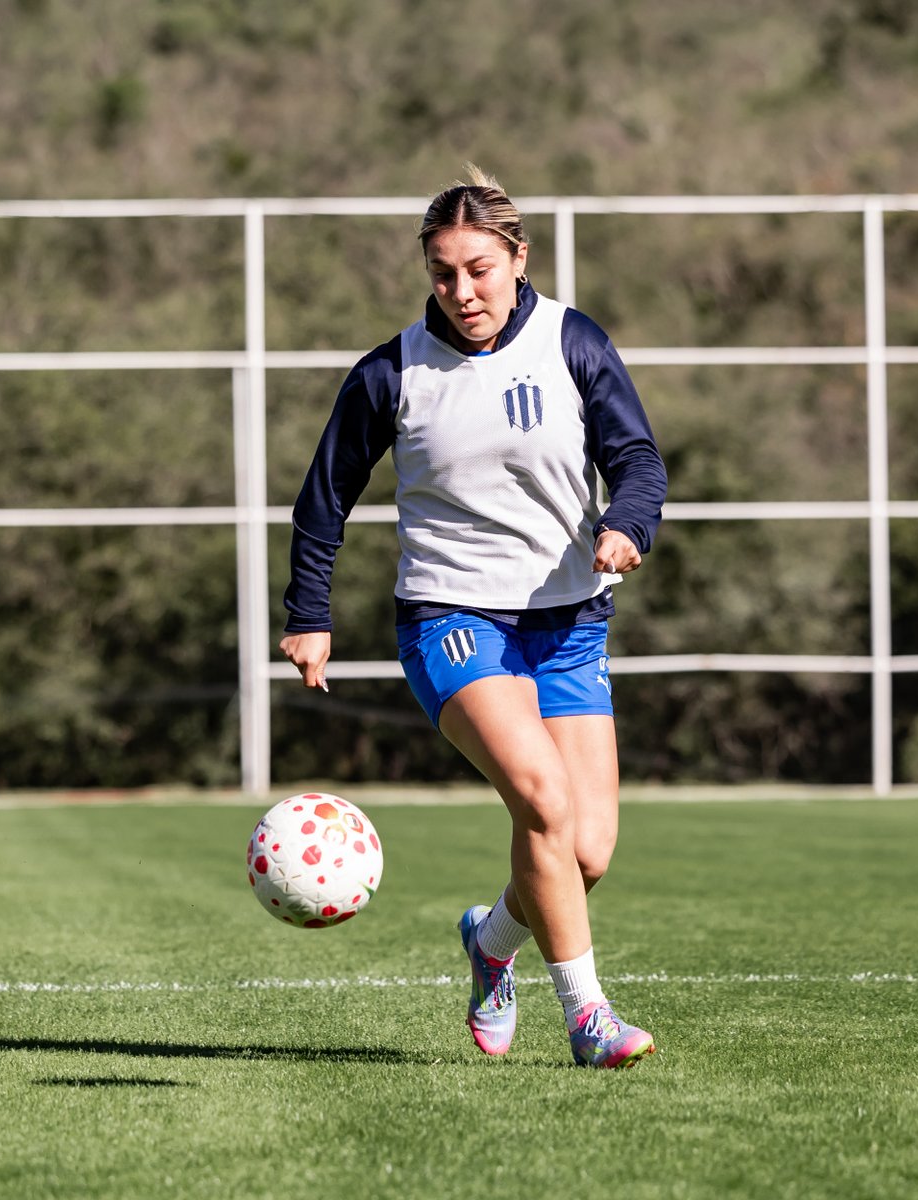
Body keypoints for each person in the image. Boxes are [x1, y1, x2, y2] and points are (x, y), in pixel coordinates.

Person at [280, 165, 667, 1069]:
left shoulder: (573, 342)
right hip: (451, 618)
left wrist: (626, 524)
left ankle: (490, 945)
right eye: (443, 273)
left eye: (480, 270)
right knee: (539, 799)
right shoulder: (392, 371)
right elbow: (322, 498)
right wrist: (310, 613)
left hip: (568, 622)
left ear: (518, 258)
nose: (461, 292)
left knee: (590, 851)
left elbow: (638, 459)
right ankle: (589, 1018)